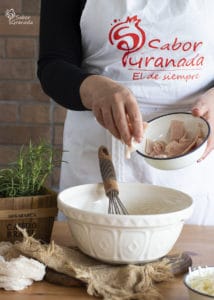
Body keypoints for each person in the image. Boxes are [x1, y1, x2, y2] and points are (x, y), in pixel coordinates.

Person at [38, 0, 214, 225]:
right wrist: (93, 87)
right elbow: (53, 65)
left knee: (195, 255)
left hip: (195, 160)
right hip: (100, 155)